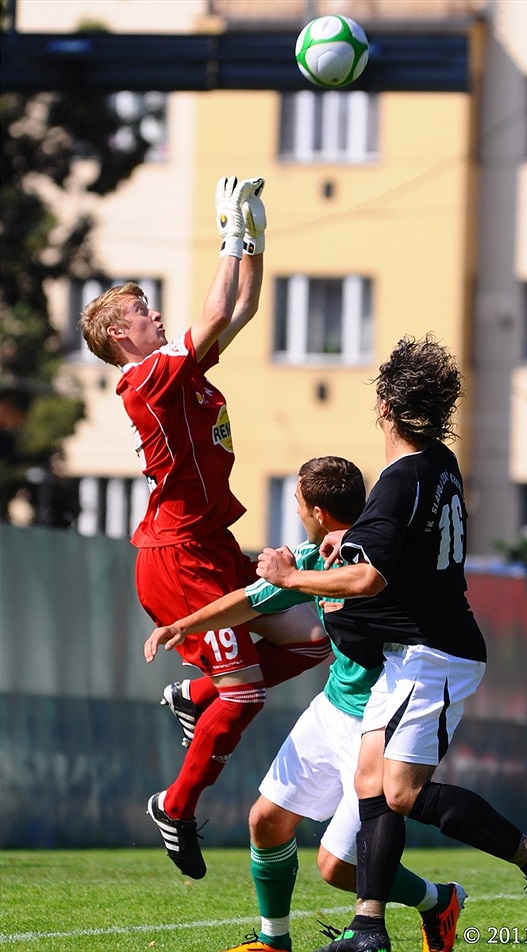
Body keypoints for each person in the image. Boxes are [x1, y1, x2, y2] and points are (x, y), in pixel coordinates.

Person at [256, 335, 527, 951]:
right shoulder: (440, 463)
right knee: (370, 784)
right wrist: (348, 550)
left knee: (398, 791)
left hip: (433, 651)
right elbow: (395, 554)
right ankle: (368, 928)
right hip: (420, 650)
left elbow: (368, 577)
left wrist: (290, 575)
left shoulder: (400, 480)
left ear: (384, 405)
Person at [78, 175, 330, 881]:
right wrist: (226, 235)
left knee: (316, 639)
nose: (154, 315)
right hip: (178, 557)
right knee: (245, 691)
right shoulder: (146, 378)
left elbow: (240, 308)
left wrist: (253, 237)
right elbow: (218, 308)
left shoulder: (174, 370)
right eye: (141, 311)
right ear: (117, 335)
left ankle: (195, 694)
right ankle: (176, 806)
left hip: (208, 546)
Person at [145, 455, 467, 952]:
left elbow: (362, 585)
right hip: (333, 708)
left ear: (315, 510)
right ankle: (274, 941)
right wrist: (184, 624)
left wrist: (292, 578)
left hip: (381, 724)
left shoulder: (376, 557)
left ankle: (438, 901)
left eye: (296, 500)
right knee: (265, 821)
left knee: (338, 868)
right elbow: (251, 600)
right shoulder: (314, 555)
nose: (294, 509)